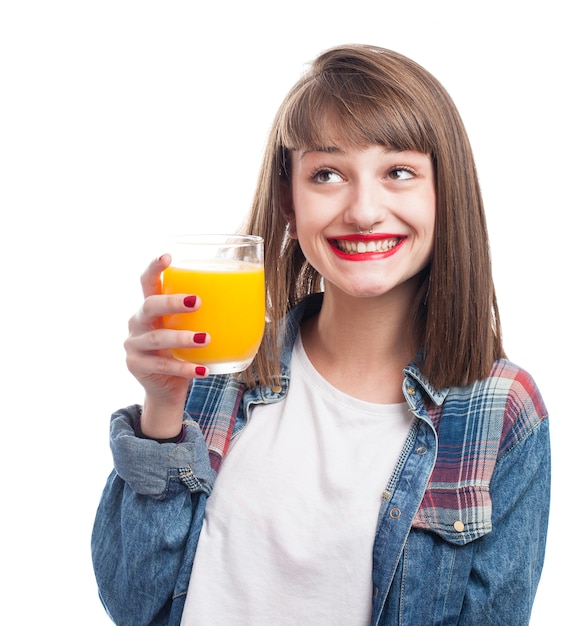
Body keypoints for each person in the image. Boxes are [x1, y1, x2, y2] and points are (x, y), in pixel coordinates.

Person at [91, 44, 550, 626]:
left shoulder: (501, 411)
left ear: (444, 192)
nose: (363, 211)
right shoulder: (218, 374)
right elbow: (134, 606)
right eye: (327, 174)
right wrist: (161, 410)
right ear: (289, 196)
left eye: (399, 172)